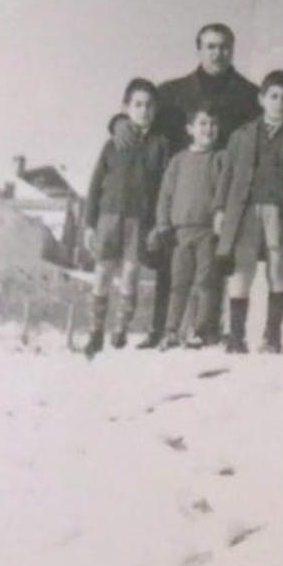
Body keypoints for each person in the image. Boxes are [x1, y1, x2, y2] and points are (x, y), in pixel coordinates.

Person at [110, 23, 259, 349]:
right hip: (176, 191)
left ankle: (208, 329)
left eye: (223, 46)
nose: (217, 52)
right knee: (170, 264)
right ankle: (163, 328)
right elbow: (141, 114)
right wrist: (118, 121)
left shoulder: (249, 95)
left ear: (232, 49)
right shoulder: (173, 93)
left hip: (221, 193)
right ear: (199, 49)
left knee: (215, 266)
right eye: (210, 46)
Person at [213, 70, 283, 354]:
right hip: (244, 209)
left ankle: (272, 336)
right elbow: (227, 175)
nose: (279, 103)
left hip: (280, 210)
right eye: (273, 96)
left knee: (276, 268)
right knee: (241, 269)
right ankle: (236, 337)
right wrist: (220, 209)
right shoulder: (241, 135)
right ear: (262, 99)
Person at [83, 78, 170, 357]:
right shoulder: (113, 143)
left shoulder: (160, 144)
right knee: (103, 272)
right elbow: (95, 184)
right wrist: (88, 223)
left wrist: (158, 223)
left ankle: (119, 331)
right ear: (126, 107)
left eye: (149, 105)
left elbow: (164, 188)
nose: (143, 110)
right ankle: (96, 331)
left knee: (131, 274)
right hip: (109, 216)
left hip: (139, 219)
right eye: (138, 104)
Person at [153, 105, 224, 350]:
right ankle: (171, 330)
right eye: (203, 123)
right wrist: (163, 224)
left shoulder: (219, 159)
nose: (209, 129)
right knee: (179, 283)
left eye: (214, 124)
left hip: (207, 231)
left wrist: (219, 216)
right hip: (180, 232)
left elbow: (222, 194)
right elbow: (165, 194)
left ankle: (199, 330)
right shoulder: (178, 161)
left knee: (205, 282)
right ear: (190, 129)